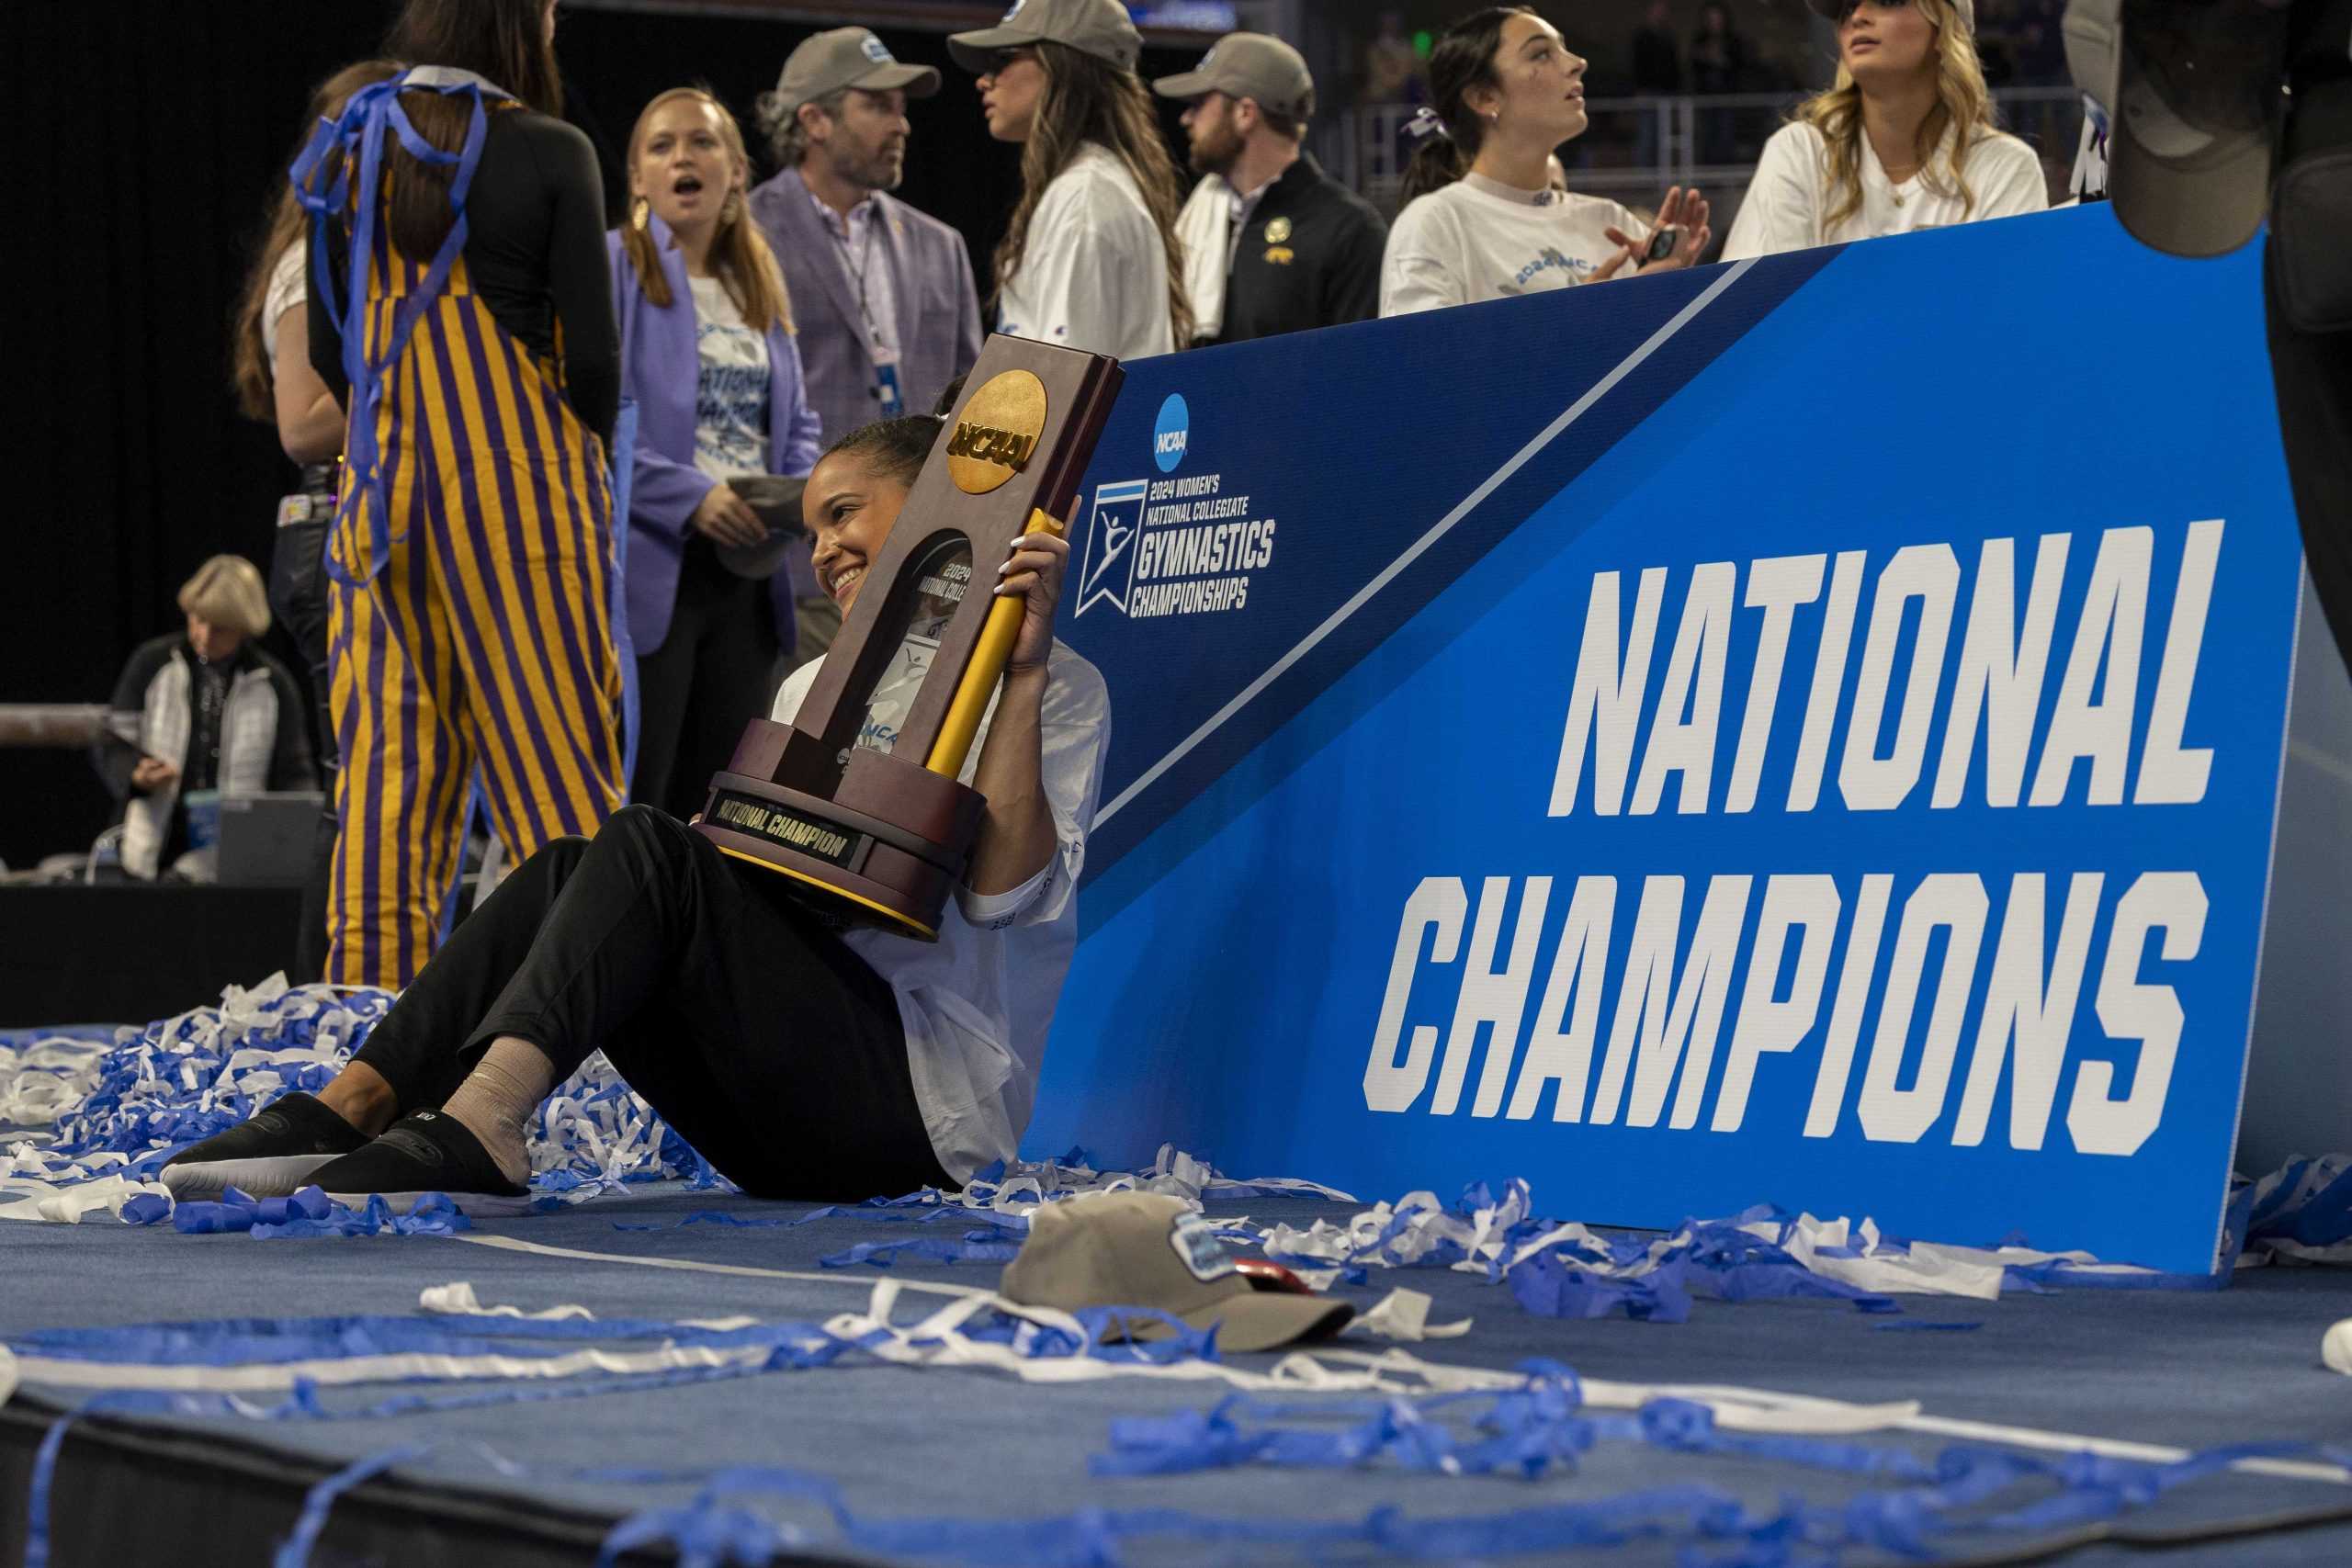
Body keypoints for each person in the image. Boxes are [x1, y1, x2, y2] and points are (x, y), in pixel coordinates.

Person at [160, 416, 1108, 1211]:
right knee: (581, 862)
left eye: (844, 513)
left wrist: (1017, 674)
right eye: (811, 530)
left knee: (646, 846)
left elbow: (1002, 898)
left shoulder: (1056, 685)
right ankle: (360, 1098)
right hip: (771, 1120)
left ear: (939, 509)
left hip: (917, 1123)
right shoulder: (813, 689)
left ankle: (486, 1119)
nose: (820, 551)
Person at [298, 0, 627, 990]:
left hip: (381, 500)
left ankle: (371, 1044)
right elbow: (598, 363)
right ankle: (573, 1037)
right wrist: (572, 457)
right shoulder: (552, 148)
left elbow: (328, 351)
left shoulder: (349, 147)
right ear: (527, 23)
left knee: (389, 787)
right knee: (558, 775)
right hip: (520, 498)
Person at [228, 59, 400, 976]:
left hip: (373, 531)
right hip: (334, 532)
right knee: (365, 779)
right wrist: (439, 382)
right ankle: (327, 999)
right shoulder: (316, 258)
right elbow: (304, 422)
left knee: (386, 777)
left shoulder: (387, 252)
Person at [612, 87, 822, 821]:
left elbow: (797, 419)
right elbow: (596, 422)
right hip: (652, 576)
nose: (682, 158)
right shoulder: (615, 268)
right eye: (661, 145)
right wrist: (691, 496)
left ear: (736, 168)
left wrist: (797, 494)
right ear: (637, 177)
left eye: (701, 142)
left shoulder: (755, 280)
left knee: (719, 806)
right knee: (641, 803)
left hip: (750, 575)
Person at [748, 27, 982, 669]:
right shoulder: (744, 235)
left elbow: (968, 406)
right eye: (878, 105)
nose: (900, 123)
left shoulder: (941, 244)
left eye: (902, 107)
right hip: (812, 572)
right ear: (815, 120)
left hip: (930, 569)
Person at [1380, 7, 1712, 318]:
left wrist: (1674, 291)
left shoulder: (1610, 222)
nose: (1577, 62)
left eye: (1564, 49)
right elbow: (1418, 369)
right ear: (1485, 97)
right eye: (1541, 53)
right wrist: (1577, 319)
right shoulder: (1436, 222)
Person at [948, 0, 1191, 359]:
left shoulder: (1084, 198)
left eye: (1002, 59)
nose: (984, 81)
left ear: (1060, 67)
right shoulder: (1086, 186)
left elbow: (1065, 390)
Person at [1721, 0, 2047, 261]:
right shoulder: (1798, 151)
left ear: (1943, 27)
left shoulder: (2006, 167)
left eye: (1888, 1)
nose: (1858, 16)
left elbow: (2006, 322)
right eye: (1848, 8)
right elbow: (1766, 319)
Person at [1156, 32, 1388, 347]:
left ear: (1245, 113)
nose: (1186, 118)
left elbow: (1359, 369)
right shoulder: (1206, 218)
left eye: (1199, 103)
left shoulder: (1349, 229)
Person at [95, 558, 314, 882]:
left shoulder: (274, 683)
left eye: (220, 627)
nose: (204, 635)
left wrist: (291, 833)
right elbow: (112, 743)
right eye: (198, 620)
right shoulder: (151, 663)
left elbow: (295, 775)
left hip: (237, 858)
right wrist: (136, 774)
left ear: (244, 627)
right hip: (150, 846)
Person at [1630, 0, 1682, 173]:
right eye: (1657, 9)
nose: (1661, 13)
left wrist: (1676, 90)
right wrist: (1639, 89)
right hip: (1647, 92)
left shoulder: (1668, 37)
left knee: (1664, 137)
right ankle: (1644, 175)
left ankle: (1663, 175)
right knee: (1647, 136)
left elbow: (1674, 66)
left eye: (1664, 10)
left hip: (1667, 93)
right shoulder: (1641, 37)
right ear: (1650, 11)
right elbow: (1637, 65)